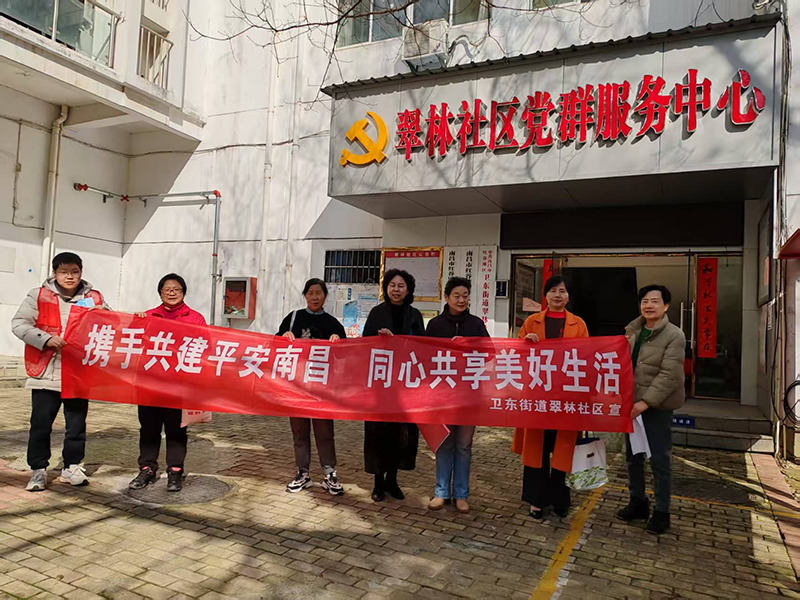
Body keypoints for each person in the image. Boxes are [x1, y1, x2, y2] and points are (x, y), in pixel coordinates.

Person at [12, 252, 109, 491]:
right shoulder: (39, 295)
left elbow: (110, 324)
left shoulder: (94, 297)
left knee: (76, 425)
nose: (70, 276)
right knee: (41, 425)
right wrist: (45, 339)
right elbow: (19, 324)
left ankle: (72, 467)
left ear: (81, 273)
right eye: (64, 272)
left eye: (75, 272)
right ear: (54, 273)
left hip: (78, 373)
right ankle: (38, 470)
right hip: (46, 372)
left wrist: (109, 316)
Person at [512, 275, 589, 520]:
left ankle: (559, 500)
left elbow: (587, 357)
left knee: (562, 449)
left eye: (562, 291)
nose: (558, 295)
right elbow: (516, 354)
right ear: (545, 295)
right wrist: (526, 344)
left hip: (566, 397)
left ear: (568, 296)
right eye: (553, 290)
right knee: (537, 449)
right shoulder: (531, 322)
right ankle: (536, 501)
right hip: (537, 396)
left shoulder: (579, 324)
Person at [617, 285, 686, 535]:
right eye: (644, 301)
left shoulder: (674, 335)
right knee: (633, 457)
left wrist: (644, 403)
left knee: (659, 460)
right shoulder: (632, 331)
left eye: (655, 301)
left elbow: (670, 375)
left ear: (666, 306)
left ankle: (662, 512)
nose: (648, 305)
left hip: (656, 407)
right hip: (631, 405)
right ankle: (638, 502)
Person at [128, 273, 206, 493]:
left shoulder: (195, 319)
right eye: (167, 289)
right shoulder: (148, 316)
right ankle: (147, 469)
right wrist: (137, 322)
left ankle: (175, 471)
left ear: (183, 293)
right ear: (160, 293)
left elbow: (204, 348)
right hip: (150, 384)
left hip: (179, 386)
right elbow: (131, 342)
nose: (172, 293)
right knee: (149, 429)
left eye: (176, 289)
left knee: (176, 430)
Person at [425, 277, 489, 514]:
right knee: (444, 444)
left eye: (465, 296)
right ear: (446, 297)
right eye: (456, 296)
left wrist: (468, 347)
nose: (461, 300)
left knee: (463, 445)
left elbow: (490, 352)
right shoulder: (435, 325)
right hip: (442, 395)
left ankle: (461, 494)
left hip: (469, 395)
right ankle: (441, 492)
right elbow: (424, 356)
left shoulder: (476, 325)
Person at [277, 278, 346, 496]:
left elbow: (346, 355)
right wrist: (283, 337)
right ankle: (303, 472)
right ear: (305, 296)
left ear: (325, 296)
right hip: (296, 387)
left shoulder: (333, 324)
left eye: (319, 293)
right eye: (311, 293)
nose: (315, 297)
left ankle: (330, 473)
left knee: (324, 431)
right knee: (299, 431)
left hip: (322, 389)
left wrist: (339, 342)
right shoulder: (293, 319)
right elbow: (276, 346)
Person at [362, 269, 424, 502]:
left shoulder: (414, 315)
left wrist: (402, 342)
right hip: (380, 385)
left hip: (406, 385)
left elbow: (423, 347)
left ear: (408, 290)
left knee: (402, 434)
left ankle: (393, 480)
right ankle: (378, 482)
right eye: (392, 285)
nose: (396, 290)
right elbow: (364, 344)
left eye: (401, 286)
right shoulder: (376, 313)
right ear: (386, 288)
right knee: (378, 433)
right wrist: (380, 340)